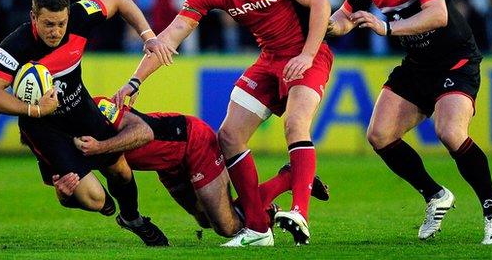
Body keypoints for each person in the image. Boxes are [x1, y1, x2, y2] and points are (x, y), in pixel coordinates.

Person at [113, 0, 333, 247]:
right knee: (228, 136)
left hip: (308, 54)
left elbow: (319, 4)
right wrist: (135, 80)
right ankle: (259, 230)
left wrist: (306, 55)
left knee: (295, 122)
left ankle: (299, 212)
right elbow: (172, 36)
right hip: (269, 60)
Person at [327, 0, 492, 245]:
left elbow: (438, 15)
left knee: (449, 131)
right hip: (418, 64)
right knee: (379, 135)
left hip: (455, 60)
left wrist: (387, 27)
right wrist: (324, 25)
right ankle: (435, 195)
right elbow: (346, 15)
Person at [0, 0, 175, 246]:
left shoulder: (81, 15)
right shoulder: (16, 46)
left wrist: (148, 36)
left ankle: (133, 219)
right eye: (48, 24)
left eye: (61, 24)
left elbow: (120, 0)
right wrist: (35, 110)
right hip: (42, 126)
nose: (56, 31)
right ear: (33, 17)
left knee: (121, 171)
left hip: (80, 109)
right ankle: (67, 196)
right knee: (96, 200)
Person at [49, 96, 330, 239]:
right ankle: (276, 196)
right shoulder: (55, 142)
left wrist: (99, 148)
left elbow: (144, 133)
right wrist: (65, 195)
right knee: (205, 221)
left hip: (191, 140)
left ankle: (289, 178)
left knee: (227, 227)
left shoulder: (97, 106)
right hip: (168, 165)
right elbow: (79, 193)